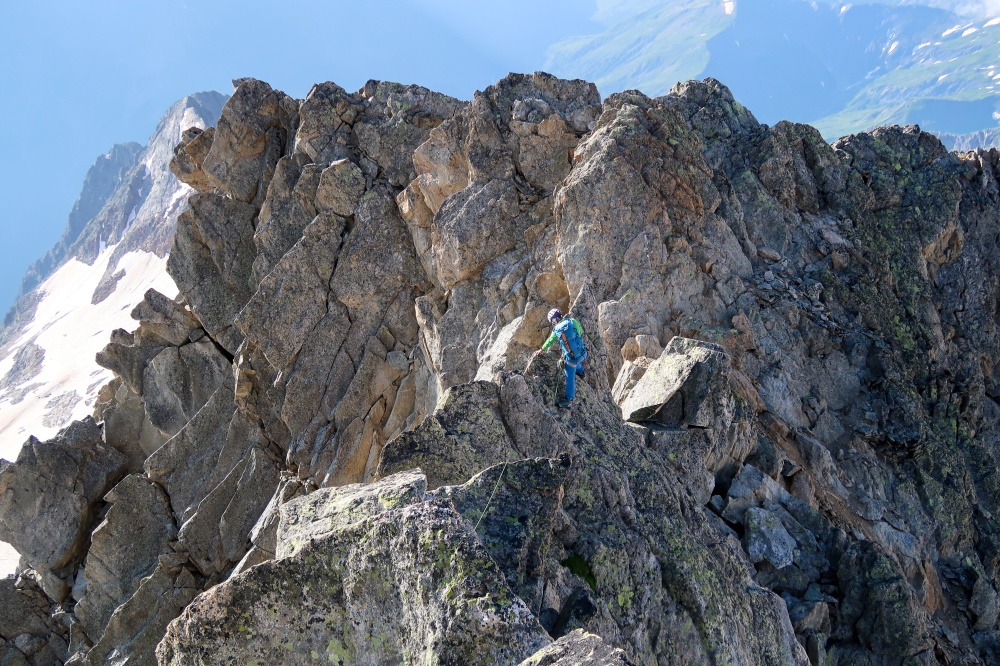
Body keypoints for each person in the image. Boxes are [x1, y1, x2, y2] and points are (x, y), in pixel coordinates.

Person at [534, 308, 588, 408]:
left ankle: (569, 400)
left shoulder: (556, 330)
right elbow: (580, 332)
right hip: (583, 353)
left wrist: (542, 349)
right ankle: (581, 371)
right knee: (577, 362)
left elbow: (550, 341)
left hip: (572, 359)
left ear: (554, 321)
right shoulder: (572, 321)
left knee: (569, 376)